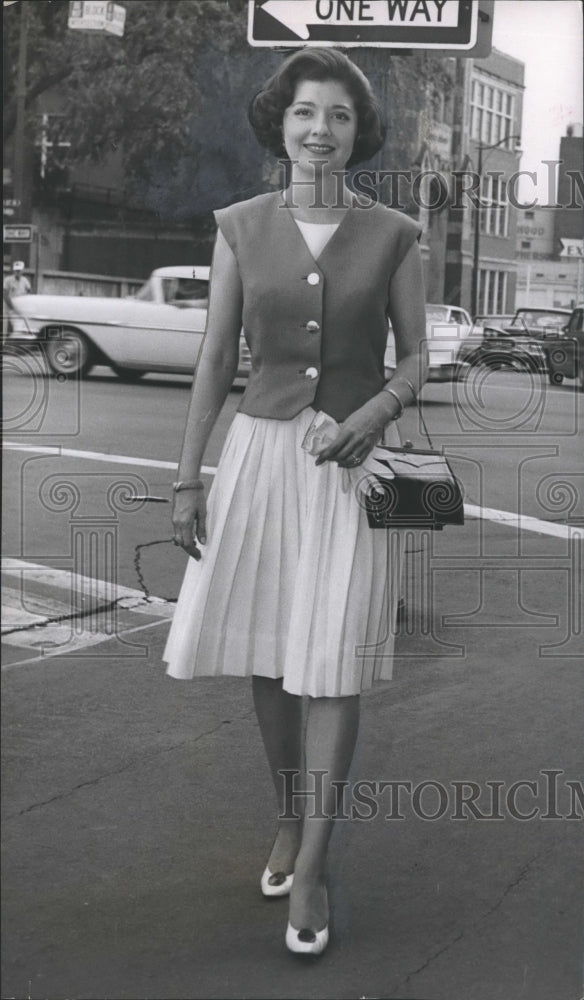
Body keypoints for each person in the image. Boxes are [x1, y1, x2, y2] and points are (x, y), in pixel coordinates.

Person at [163, 47, 427, 956]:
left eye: (342, 116)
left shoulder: (393, 232)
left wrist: (375, 414)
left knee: (336, 664)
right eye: (307, 112)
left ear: (361, 132)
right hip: (261, 459)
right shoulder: (239, 226)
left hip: (352, 469)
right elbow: (213, 359)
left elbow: (417, 358)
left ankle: (313, 864)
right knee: (272, 660)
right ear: (281, 125)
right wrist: (188, 475)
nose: (323, 129)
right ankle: (287, 818)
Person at [3, 261, 31, 343]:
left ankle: (16, 344)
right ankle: (3, 344)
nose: (18, 272)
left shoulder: (25, 280)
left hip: (20, 307)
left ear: (22, 271)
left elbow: (29, 291)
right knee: (6, 326)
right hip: (9, 306)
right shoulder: (8, 280)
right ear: (13, 271)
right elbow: (5, 294)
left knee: (19, 326)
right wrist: (12, 307)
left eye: (19, 270)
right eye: (16, 271)